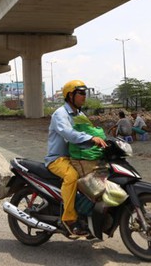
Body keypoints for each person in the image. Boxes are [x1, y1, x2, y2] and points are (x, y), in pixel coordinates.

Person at [45, 79, 106, 237]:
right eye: (81, 93)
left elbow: (91, 130)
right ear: (70, 95)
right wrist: (90, 139)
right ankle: (69, 219)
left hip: (77, 157)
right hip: (58, 159)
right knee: (71, 177)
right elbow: (68, 133)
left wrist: (106, 139)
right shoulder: (60, 114)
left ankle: (88, 217)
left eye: (85, 93)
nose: (84, 96)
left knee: (95, 177)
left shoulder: (80, 114)